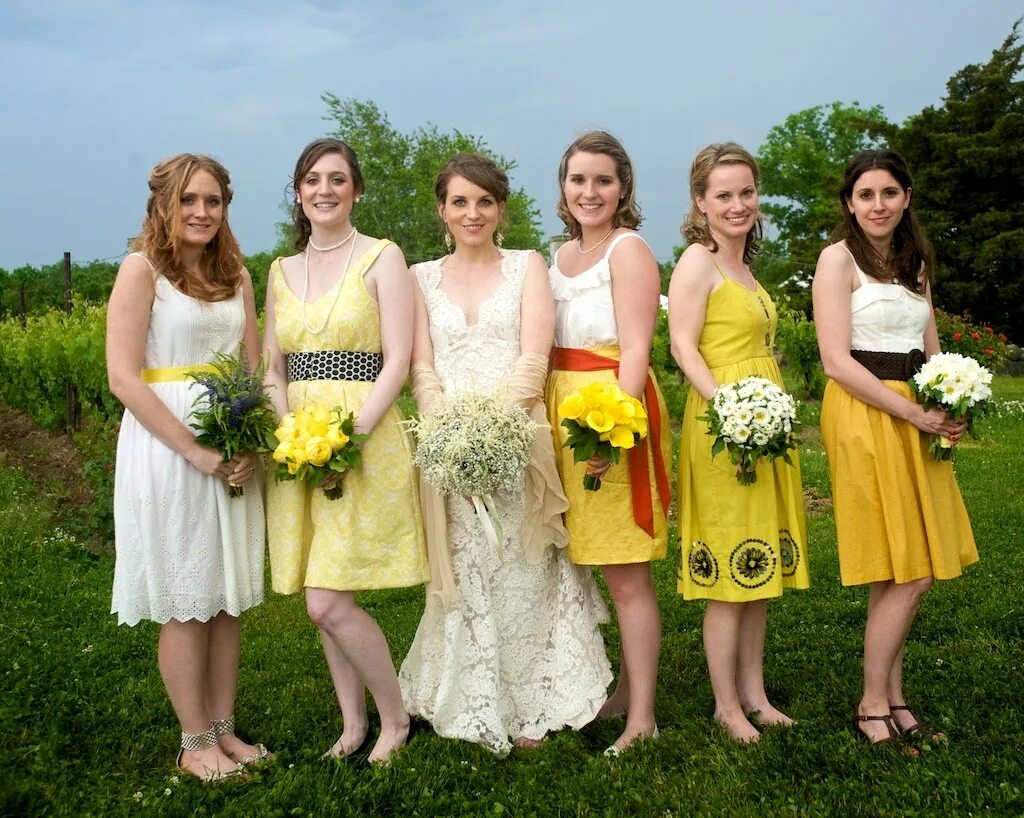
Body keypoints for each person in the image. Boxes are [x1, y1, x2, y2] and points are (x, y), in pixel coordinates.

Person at [398, 153, 612, 756]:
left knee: (524, 567)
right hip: (449, 448)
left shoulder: (527, 267)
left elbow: (532, 357)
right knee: (467, 570)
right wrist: (449, 437)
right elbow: (422, 366)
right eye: (460, 202)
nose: (473, 213)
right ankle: (467, 690)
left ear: (501, 210)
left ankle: (531, 702)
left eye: (484, 201)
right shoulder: (420, 277)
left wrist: (498, 434)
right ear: (442, 210)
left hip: (517, 438)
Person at [263, 138, 429, 765]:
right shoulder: (280, 271)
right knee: (324, 596)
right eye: (312, 180)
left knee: (327, 598)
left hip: (362, 438)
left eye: (337, 179)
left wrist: (347, 437)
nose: (324, 190)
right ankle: (353, 723)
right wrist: (290, 437)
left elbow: (399, 360)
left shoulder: (383, 258)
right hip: (299, 448)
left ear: (356, 190)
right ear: (299, 193)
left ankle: (395, 718)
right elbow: (273, 369)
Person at [108, 154, 269, 781]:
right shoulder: (142, 271)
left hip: (232, 443)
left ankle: (225, 731)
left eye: (213, 201)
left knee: (225, 595)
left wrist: (249, 442)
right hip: (169, 449)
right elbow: (124, 378)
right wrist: (197, 451)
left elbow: (252, 370)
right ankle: (194, 740)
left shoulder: (237, 275)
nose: (202, 212)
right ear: (163, 204)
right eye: (189, 200)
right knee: (187, 597)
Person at [813, 149, 978, 748]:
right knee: (906, 565)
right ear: (849, 204)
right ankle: (871, 702)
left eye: (888, 193)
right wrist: (911, 412)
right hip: (865, 411)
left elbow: (931, 348)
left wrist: (950, 401)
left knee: (909, 562)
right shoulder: (838, 261)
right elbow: (835, 360)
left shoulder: (915, 264)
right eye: (864, 195)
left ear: (906, 196)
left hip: (917, 412)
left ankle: (894, 696)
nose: (876, 205)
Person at [668, 143, 809, 743]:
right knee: (730, 569)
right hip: (724, 427)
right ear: (700, 203)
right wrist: (730, 410)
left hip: (763, 423)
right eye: (723, 195)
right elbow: (682, 345)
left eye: (746, 192)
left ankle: (755, 693)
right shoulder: (698, 262)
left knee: (760, 565)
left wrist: (766, 410)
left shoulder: (745, 266)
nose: (737, 204)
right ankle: (726, 705)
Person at [545, 131, 671, 755]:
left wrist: (611, 432)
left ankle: (641, 715)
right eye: (577, 180)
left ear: (623, 188)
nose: (588, 192)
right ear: (563, 188)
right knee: (585, 560)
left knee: (625, 571)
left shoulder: (629, 250)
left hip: (608, 412)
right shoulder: (557, 256)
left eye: (602, 180)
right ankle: (619, 689)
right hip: (559, 410)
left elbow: (636, 349)